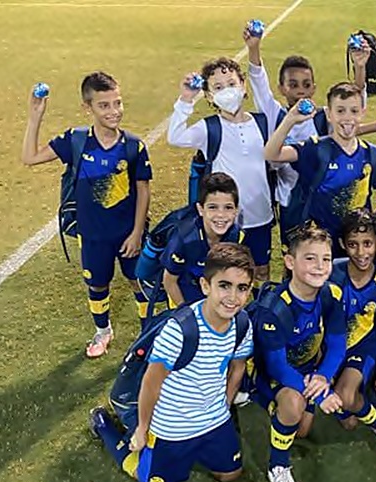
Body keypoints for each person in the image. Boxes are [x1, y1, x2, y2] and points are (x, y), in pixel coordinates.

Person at [88, 243, 255, 482]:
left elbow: (238, 367)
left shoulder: (242, 323)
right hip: (173, 426)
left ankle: (197, 448)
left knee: (230, 474)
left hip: (215, 419)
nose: (233, 297)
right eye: (224, 285)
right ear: (205, 286)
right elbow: (151, 383)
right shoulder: (179, 330)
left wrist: (225, 405)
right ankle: (105, 427)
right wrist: (143, 430)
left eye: (242, 288)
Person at [21, 71, 152, 358]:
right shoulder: (76, 140)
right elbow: (29, 157)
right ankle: (103, 331)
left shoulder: (134, 146)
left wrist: (137, 233)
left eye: (117, 103)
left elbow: (143, 190)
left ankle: (148, 331)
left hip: (128, 235)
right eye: (104, 105)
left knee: (139, 281)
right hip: (92, 236)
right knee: (97, 283)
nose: (114, 111)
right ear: (87, 108)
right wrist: (35, 117)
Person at [250, 226, 346, 482]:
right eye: (310, 258)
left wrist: (323, 377)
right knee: (292, 405)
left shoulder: (330, 294)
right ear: (290, 262)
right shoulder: (275, 308)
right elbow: (278, 367)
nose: (320, 266)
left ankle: (280, 410)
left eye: (326, 259)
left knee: (301, 431)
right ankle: (278, 465)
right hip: (273, 376)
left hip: (308, 373)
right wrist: (321, 393)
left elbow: (337, 345)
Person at [243, 27, 371, 219]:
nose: (300, 90)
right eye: (293, 85)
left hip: (324, 197)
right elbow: (259, 83)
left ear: (313, 88)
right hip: (290, 201)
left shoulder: (324, 117)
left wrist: (360, 68)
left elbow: (352, 102)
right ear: (281, 88)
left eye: (306, 85)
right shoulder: (274, 114)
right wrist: (254, 48)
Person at [167, 57, 272, 283]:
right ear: (208, 95)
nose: (227, 91)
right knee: (226, 273)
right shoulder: (209, 127)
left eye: (232, 84)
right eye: (218, 87)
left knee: (261, 271)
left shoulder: (262, 122)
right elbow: (175, 136)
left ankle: (258, 305)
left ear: (243, 86)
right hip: (225, 221)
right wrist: (186, 100)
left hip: (260, 214)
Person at [264, 82, 376, 254]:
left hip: (357, 249)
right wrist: (290, 120)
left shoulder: (371, 153)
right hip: (322, 248)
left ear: (363, 113)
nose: (347, 118)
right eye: (340, 111)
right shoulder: (316, 148)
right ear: (329, 114)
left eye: (354, 111)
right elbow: (272, 154)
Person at [329, 209, 376, 463]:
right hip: (333, 348)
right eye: (353, 245)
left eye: (368, 244)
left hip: (365, 346)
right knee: (348, 422)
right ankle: (366, 402)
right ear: (342, 244)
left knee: (346, 396)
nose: (361, 252)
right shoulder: (330, 273)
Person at [161, 173, 245, 307]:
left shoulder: (237, 236)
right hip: (185, 297)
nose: (221, 215)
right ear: (200, 209)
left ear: (236, 210)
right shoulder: (184, 239)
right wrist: (185, 310)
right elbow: (169, 281)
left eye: (228, 207)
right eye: (213, 207)